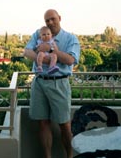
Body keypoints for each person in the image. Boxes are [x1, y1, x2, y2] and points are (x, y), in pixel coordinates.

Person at [24, 9, 81, 158]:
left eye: (52, 19)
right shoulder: (39, 33)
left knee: (64, 124)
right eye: (47, 20)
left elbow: (70, 60)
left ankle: (69, 156)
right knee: (43, 123)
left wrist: (47, 56)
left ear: (59, 18)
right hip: (40, 83)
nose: (50, 22)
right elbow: (27, 52)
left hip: (59, 84)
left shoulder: (70, 38)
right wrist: (40, 56)